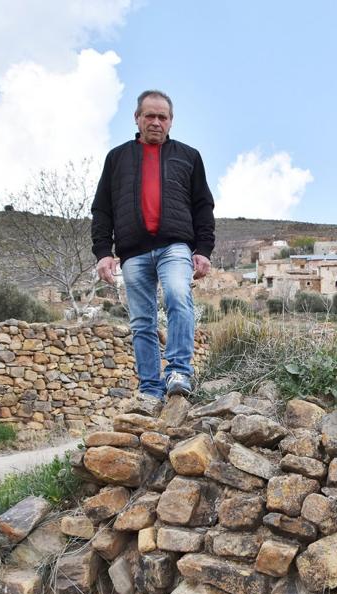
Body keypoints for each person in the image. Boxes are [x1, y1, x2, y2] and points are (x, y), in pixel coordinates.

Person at [91, 89, 215, 415]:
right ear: (137, 118)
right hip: (132, 253)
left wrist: (203, 250)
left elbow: (203, 206)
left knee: (177, 295)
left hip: (175, 246)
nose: (156, 122)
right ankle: (149, 389)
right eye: (150, 116)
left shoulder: (188, 157)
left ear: (171, 121)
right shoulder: (117, 158)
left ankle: (178, 371)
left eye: (163, 117)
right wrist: (104, 252)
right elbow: (102, 209)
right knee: (141, 321)